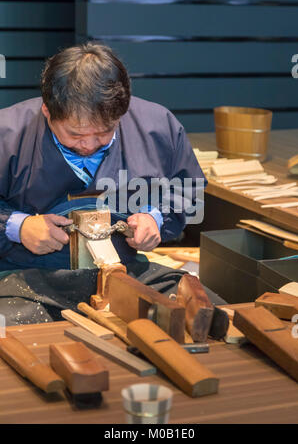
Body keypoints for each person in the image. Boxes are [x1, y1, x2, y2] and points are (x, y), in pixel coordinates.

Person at [0, 42, 207, 324]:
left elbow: (188, 189)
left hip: (125, 271)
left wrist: (155, 218)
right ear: (47, 111)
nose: (88, 145)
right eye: (75, 134)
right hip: (28, 278)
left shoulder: (158, 126)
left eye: (104, 132)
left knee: (201, 314)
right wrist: (18, 226)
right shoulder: (7, 134)